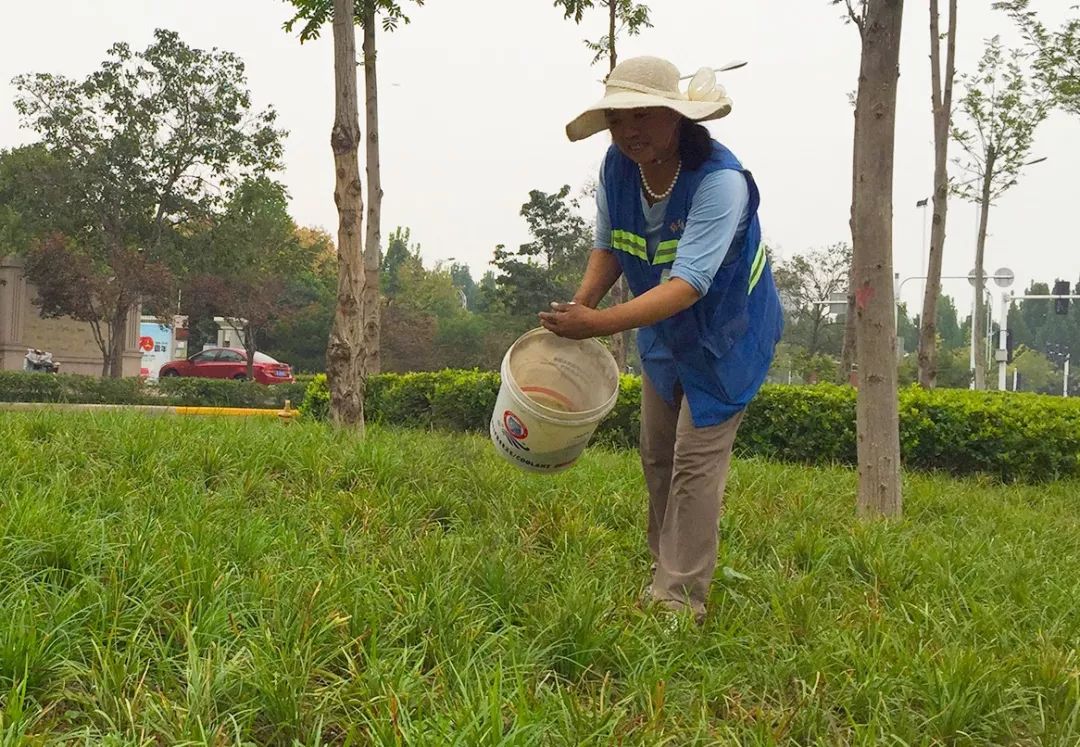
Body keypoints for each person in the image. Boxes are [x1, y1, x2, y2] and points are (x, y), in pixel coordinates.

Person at [539, 56, 783, 624]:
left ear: (678, 118)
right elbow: (610, 246)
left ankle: (678, 600)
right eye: (619, 118)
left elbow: (689, 284)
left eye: (644, 115)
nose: (630, 131)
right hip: (662, 334)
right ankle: (664, 569)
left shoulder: (721, 182)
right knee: (657, 455)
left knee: (696, 461)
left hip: (727, 336)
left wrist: (596, 326)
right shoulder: (618, 166)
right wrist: (581, 309)